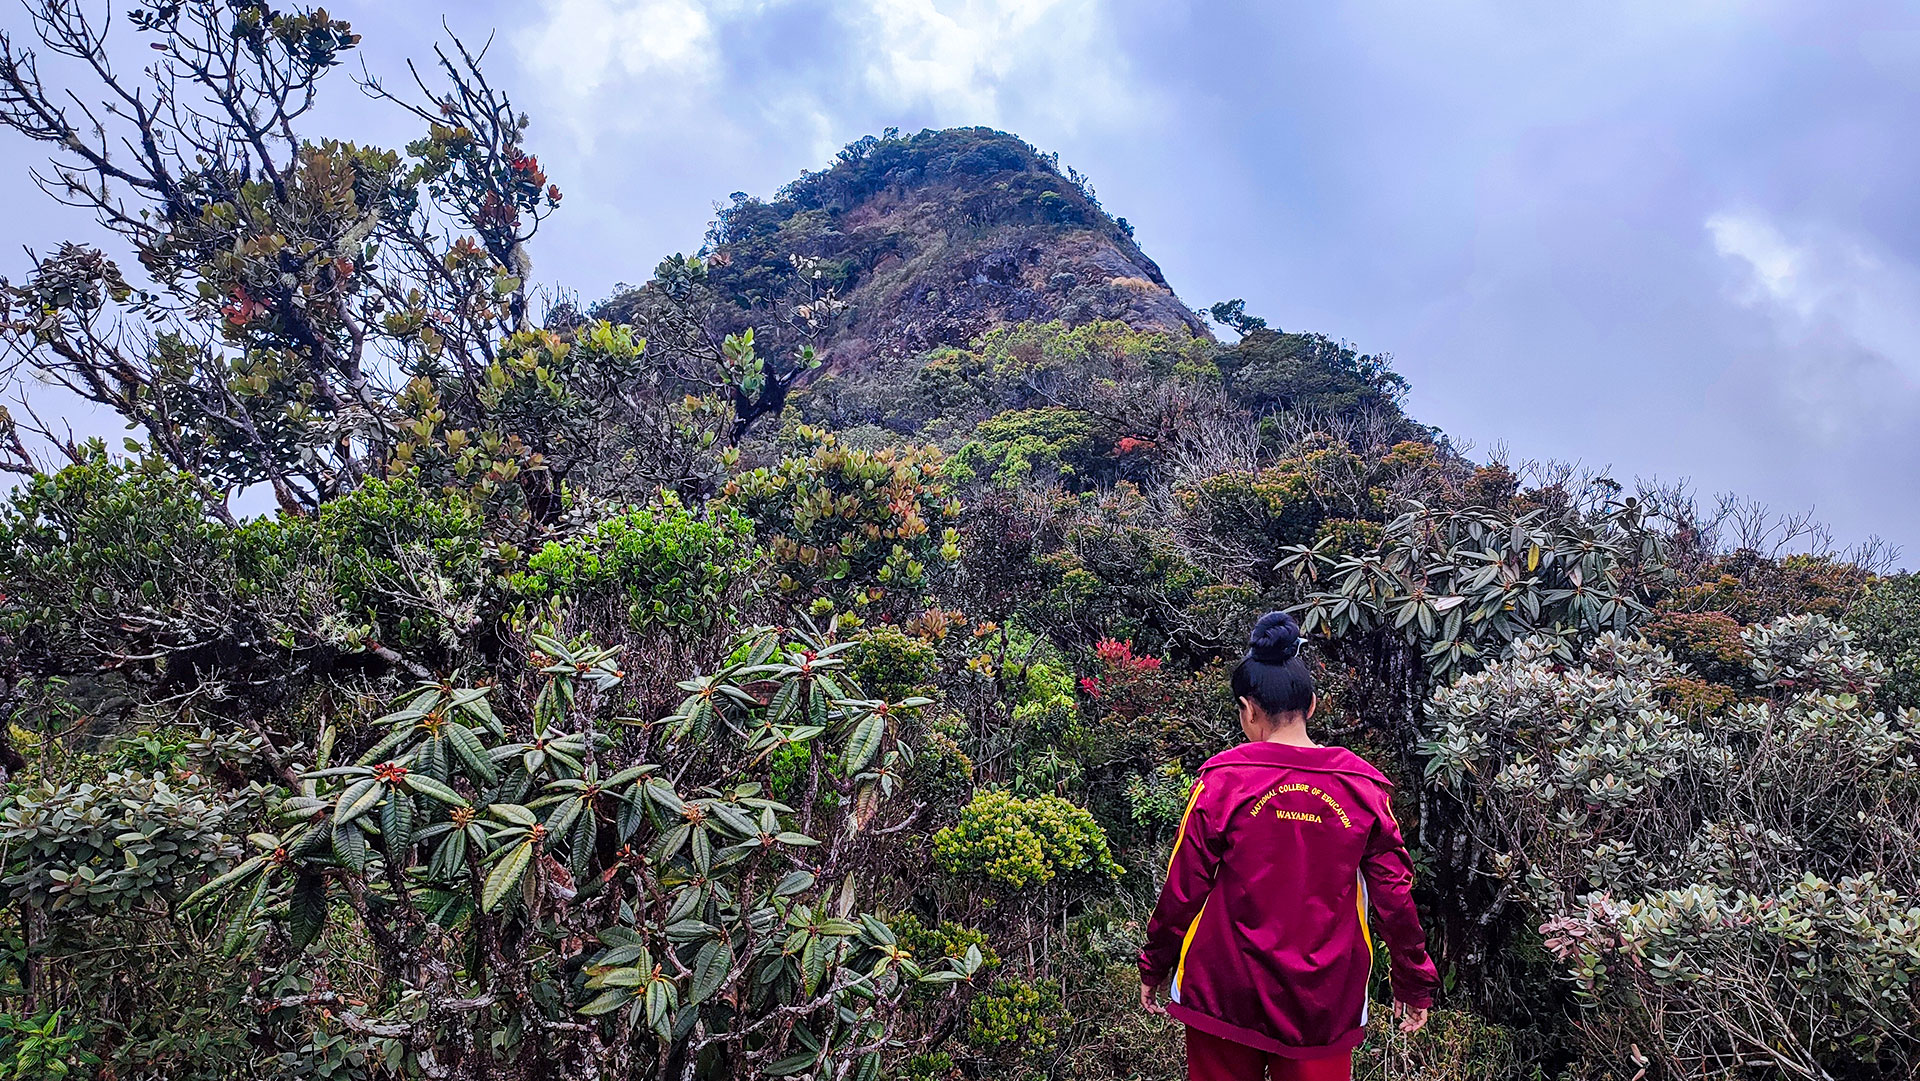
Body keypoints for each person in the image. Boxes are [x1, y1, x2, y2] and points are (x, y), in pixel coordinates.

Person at [1138, 611, 1440, 1081]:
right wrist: (1413, 979)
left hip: (1224, 989)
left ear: (1248, 708)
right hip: (1323, 1002)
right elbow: (1395, 898)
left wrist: (1155, 962)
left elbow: (1184, 887)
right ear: (1313, 705)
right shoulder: (1362, 789)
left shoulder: (1222, 783)